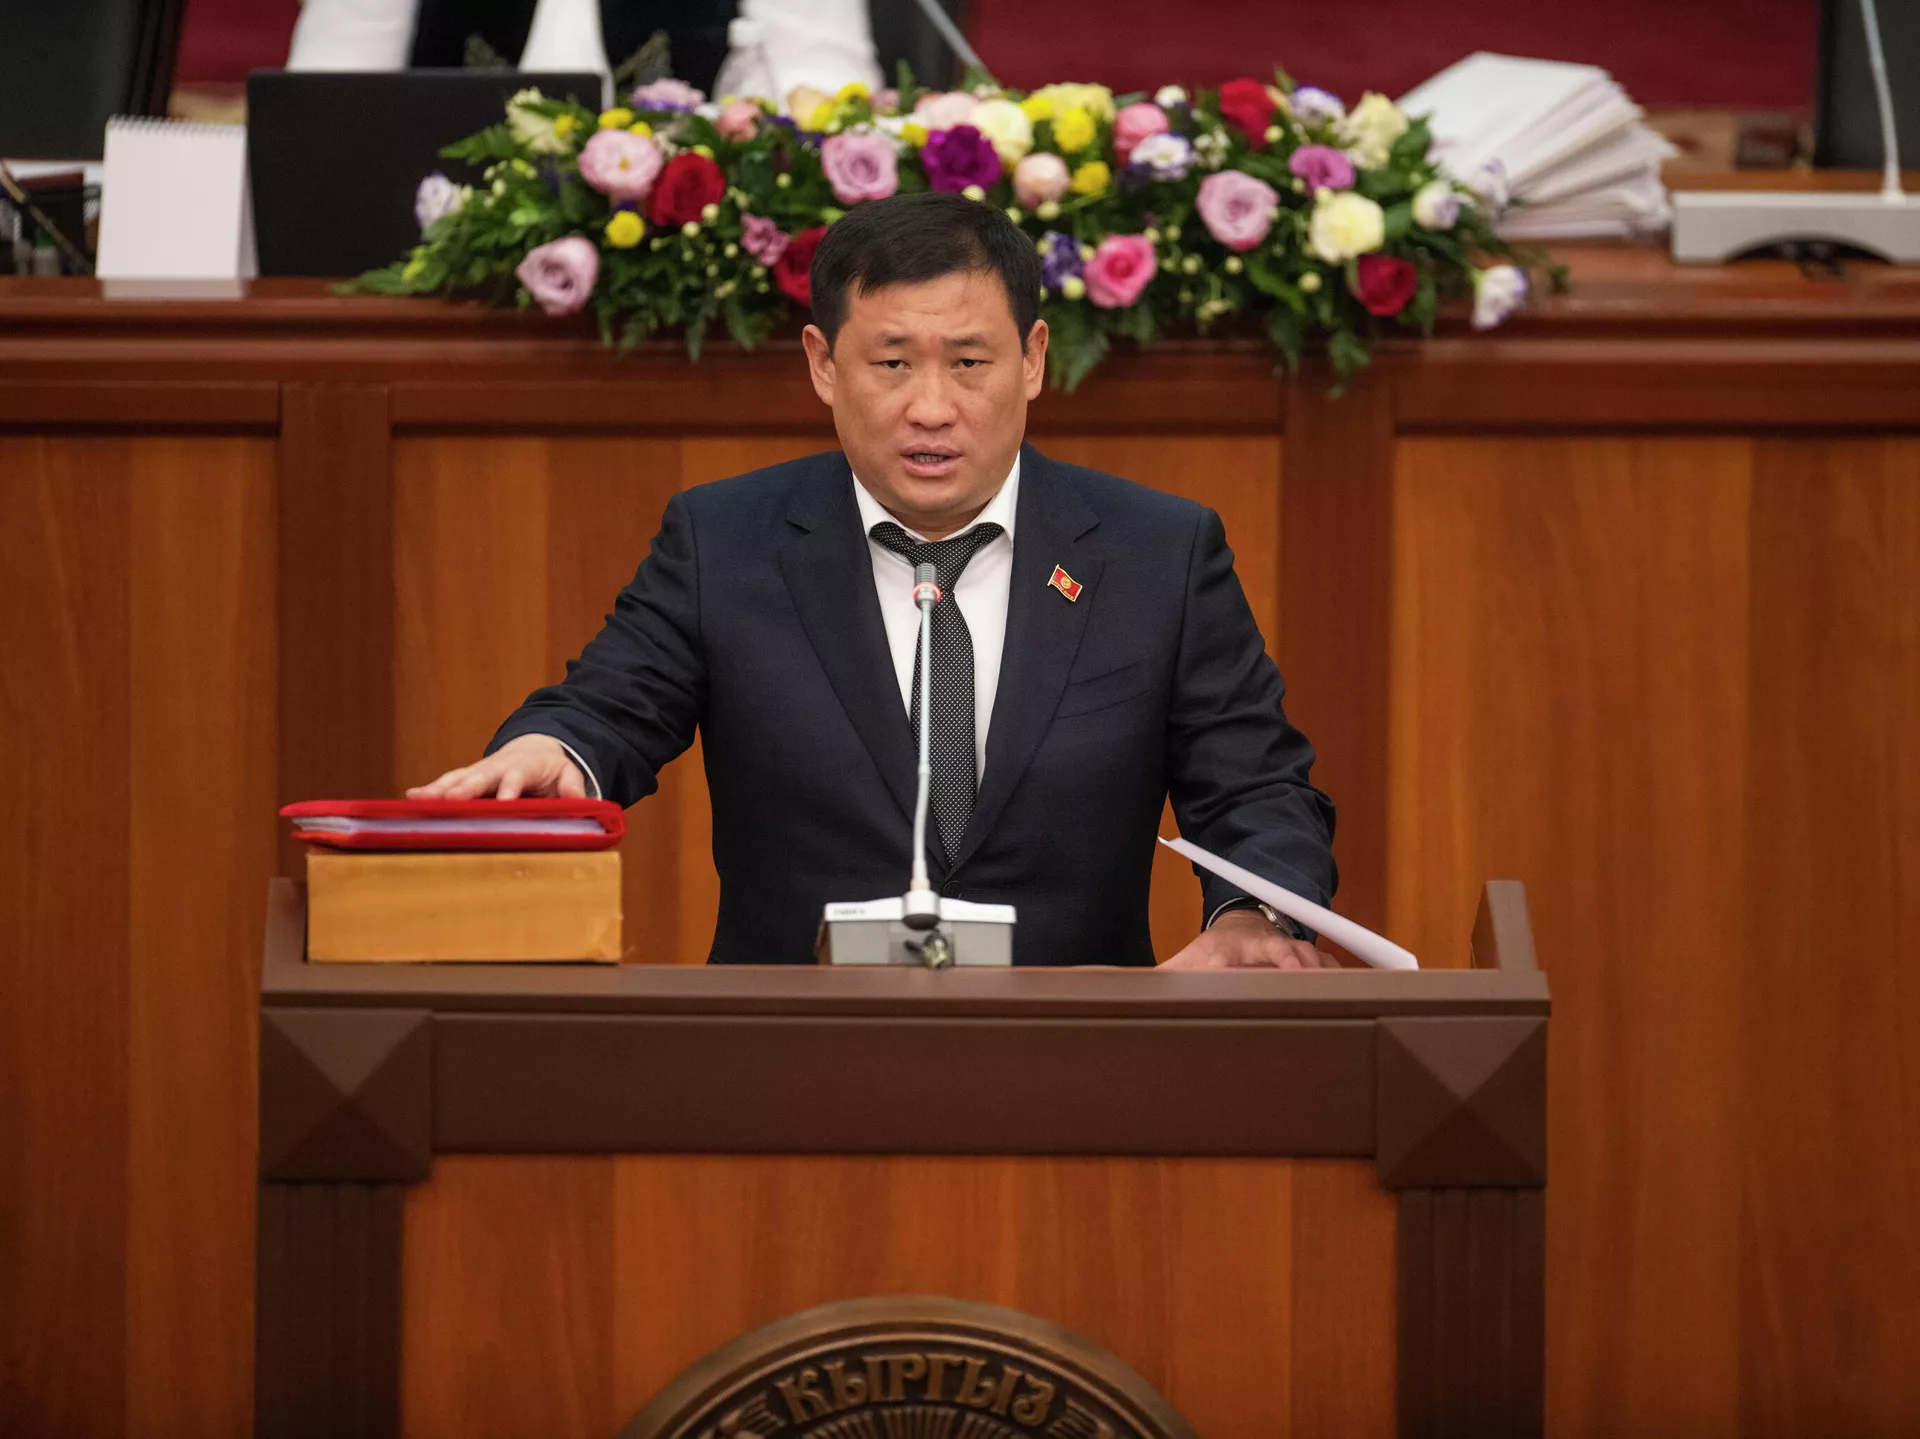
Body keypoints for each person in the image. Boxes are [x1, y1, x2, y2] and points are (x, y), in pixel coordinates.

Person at [411, 191, 1339, 969]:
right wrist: (559, 751)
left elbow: (1256, 787)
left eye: (969, 363)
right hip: (792, 1069)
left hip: (1076, 1065)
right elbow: (611, 706)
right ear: (824, 365)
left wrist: (1252, 917)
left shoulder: (1156, 551)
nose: (930, 407)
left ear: (1033, 360)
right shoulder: (725, 540)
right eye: (892, 364)